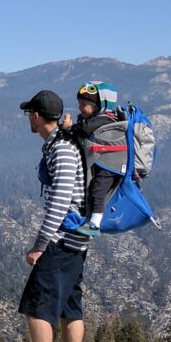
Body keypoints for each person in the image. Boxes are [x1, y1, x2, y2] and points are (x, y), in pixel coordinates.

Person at [10, 89, 89, 342]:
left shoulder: (62, 149)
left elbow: (59, 201)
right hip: (77, 240)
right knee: (71, 306)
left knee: (37, 307)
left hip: (62, 239)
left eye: (29, 113)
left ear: (36, 116)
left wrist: (40, 244)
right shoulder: (63, 144)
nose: (28, 118)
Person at [59, 81, 121, 237]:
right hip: (105, 163)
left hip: (110, 166)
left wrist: (68, 128)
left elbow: (84, 129)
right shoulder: (103, 119)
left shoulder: (105, 119)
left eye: (84, 104)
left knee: (97, 191)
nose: (80, 108)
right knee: (94, 190)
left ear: (99, 104)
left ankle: (94, 224)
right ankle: (90, 218)